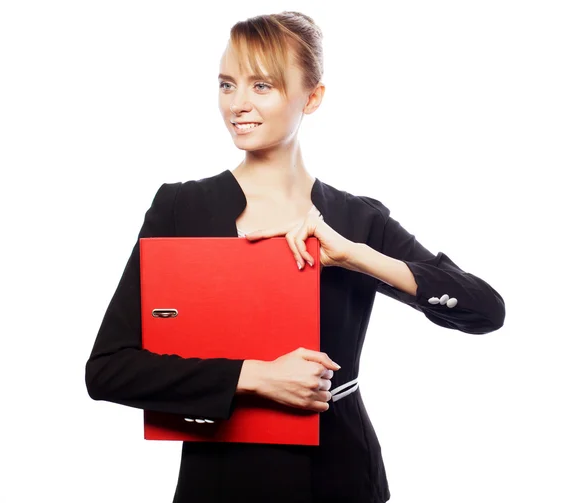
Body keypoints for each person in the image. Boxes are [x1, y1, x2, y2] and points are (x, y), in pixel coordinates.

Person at [85, 11, 506, 503]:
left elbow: (485, 310)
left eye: (262, 86)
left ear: (312, 96)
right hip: (220, 481)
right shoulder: (180, 208)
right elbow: (109, 369)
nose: (237, 105)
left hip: (341, 477)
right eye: (226, 84)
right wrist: (254, 377)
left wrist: (358, 257)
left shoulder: (355, 219)